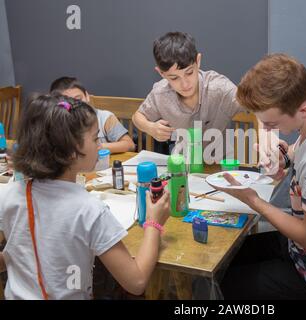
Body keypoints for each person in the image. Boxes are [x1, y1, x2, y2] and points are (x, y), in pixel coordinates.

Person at [215, 54, 306, 300]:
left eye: (271, 123)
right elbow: (301, 149)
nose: (269, 130)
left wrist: (253, 200)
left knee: (225, 283)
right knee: (224, 257)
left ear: (302, 109)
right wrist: (284, 155)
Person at [0, 94, 170, 299]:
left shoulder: (9, 194)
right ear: (71, 151)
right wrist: (153, 223)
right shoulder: (89, 209)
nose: (100, 145)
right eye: (95, 138)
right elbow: (136, 281)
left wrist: (19, 257)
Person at [132, 31, 243, 156]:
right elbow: (137, 117)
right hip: (183, 165)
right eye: (174, 78)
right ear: (161, 73)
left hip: (219, 166)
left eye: (189, 72)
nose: (185, 84)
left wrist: (266, 136)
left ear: (198, 61)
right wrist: (150, 127)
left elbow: (256, 105)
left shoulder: (219, 88)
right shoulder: (160, 93)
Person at [50, 77, 135, 154]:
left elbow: (130, 145)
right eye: (69, 102)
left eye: (78, 99)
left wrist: (97, 147)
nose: (75, 105)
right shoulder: (56, 122)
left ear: (87, 96)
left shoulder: (104, 118)